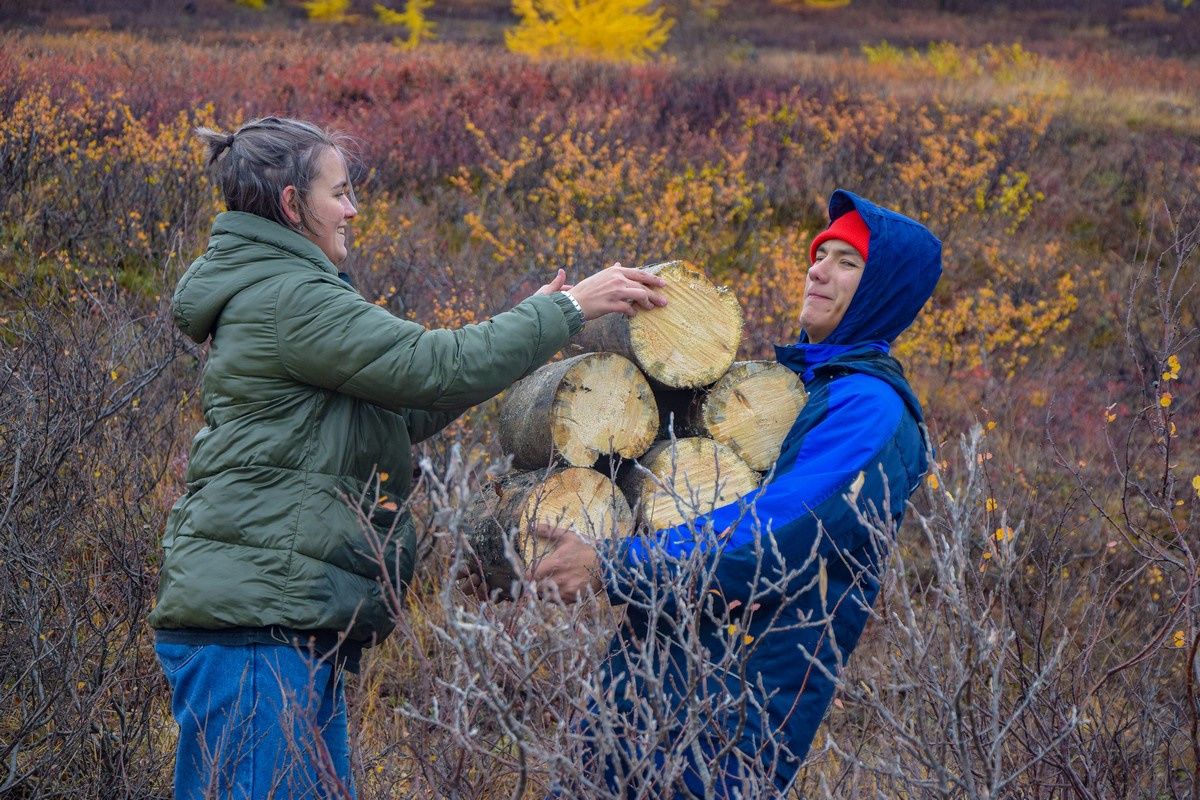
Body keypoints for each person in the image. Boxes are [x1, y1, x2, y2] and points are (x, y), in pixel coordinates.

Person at [146, 116, 667, 800]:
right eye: (340, 192)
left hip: (281, 624)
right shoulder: (292, 298)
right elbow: (432, 366)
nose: (353, 209)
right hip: (256, 630)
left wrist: (529, 334)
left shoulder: (283, 292)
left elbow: (408, 404)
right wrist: (569, 309)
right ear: (291, 206)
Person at [532, 189, 943, 797]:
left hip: (730, 715)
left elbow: (775, 536)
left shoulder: (869, 410)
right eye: (819, 253)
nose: (818, 269)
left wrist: (614, 565)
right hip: (663, 686)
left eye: (846, 262)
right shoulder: (796, 392)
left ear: (885, 289)